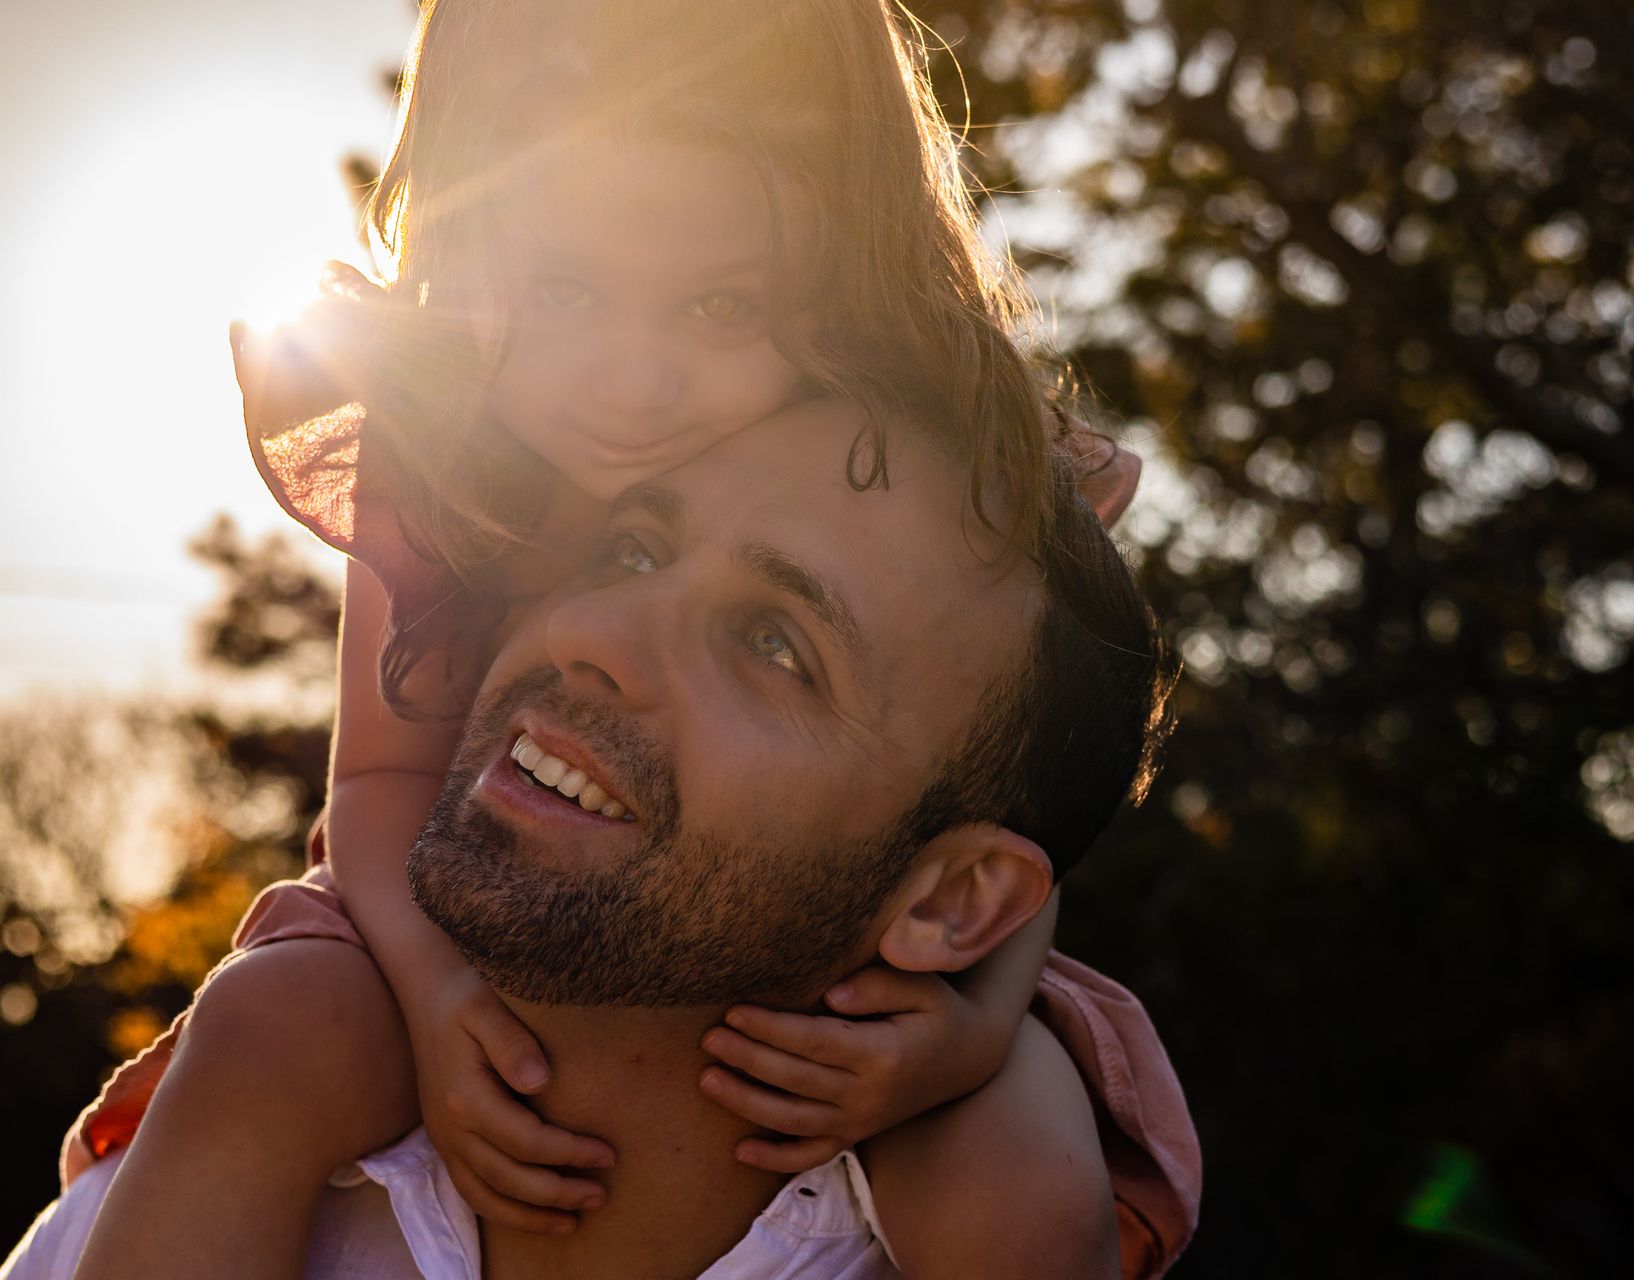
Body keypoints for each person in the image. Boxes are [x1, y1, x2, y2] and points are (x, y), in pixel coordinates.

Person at [52, 1, 1197, 1276]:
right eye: (563, 290)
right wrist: (436, 1000)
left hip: (868, 918)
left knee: (1014, 1150)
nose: (632, 379)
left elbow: (1014, 793)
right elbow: (374, 781)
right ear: (470, 249)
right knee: (276, 1024)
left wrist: (969, 1030)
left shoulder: (880, 451)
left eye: (718, 303)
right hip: (421, 894)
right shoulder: (435, 459)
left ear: (833, 274)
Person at [7, 397, 1181, 1279]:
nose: (590, 632)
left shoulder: (996, 1208)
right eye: (632, 548)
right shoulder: (183, 1183)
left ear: (953, 902)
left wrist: (978, 1034)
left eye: (776, 643)